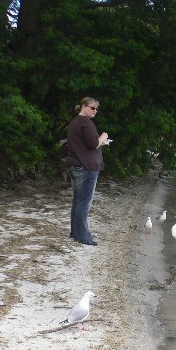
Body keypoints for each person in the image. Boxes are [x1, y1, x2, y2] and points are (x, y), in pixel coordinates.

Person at [65, 97, 109, 246]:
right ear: (84, 106)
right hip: (86, 167)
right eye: (92, 108)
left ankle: (75, 233)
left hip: (75, 165)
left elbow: (84, 144)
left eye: (96, 109)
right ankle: (83, 236)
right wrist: (103, 137)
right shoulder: (85, 123)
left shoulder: (74, 122)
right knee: (84, 203)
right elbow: (93, 144)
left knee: (78, 202)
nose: (95, 111)